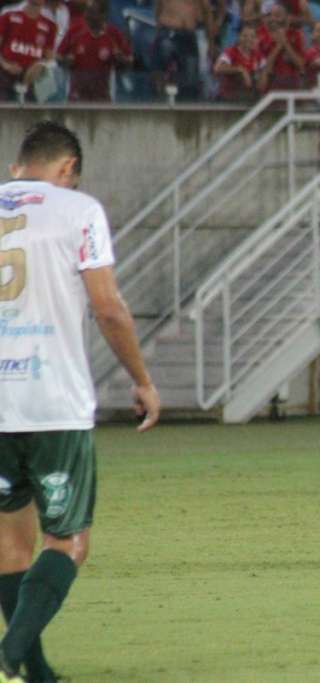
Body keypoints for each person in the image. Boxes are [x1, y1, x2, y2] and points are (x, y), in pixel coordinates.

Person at [0, 121, 161, 683]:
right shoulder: (78, 210)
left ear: (19, 165)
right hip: (52, 401)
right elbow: (108, 307)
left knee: (10, 543)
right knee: (68, 542)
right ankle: (10, 654)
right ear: (68, 167)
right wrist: (142, 381)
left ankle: (36, 672)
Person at [57, 0, 132, 102]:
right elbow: (58, 56)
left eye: (91, 12)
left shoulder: (113, 34)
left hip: (102, 97)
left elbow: (129, 59)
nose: (86, 15)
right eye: (86, 11)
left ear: (103, 15)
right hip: (77, 97)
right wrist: (66, 61)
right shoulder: (75, 31)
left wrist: (121, 59)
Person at [153, 0, 215, 99]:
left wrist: (211, 43)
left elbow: (207, 12)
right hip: (168, 30)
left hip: (188, 36)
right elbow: (158, 8)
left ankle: (185, 104)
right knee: (160, 73)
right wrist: (159, 31)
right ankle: (158, 101)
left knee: (190, 81)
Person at [0, 0, 56, 101]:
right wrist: (6, 65)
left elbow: (49, 57)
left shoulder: (49, 25)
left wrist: (40, 66)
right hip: (5, 76)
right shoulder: (9, 17)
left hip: (31, 81)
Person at [257, 2, 304, 90]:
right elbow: (266, 68)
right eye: (271, 15)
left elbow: (301, 65)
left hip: (292, 85)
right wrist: (279, 45)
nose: (273, 19)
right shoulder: (261, 36)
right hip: (271, 85)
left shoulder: (296, 34)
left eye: (277, 15)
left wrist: (285, 43)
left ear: (287, 17)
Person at [214, 22, 266, 101]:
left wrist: (260, 79)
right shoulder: (231, 52)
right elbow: (217, 68)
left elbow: (263, 79)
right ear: (238, 36)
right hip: (229, 98)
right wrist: (240, 69)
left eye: (252, 36)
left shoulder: (259, 55)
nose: (249, 39)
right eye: (245, 36)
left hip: (250, 98)